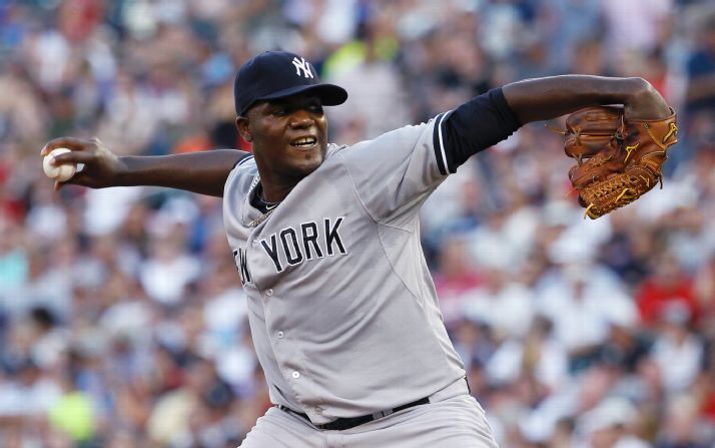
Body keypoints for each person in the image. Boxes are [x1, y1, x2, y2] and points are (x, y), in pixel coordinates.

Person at [42, 50, 671, 447]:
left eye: (313, 108)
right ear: (247, 129)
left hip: (418, 424)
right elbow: (227, 172)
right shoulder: (244, 187)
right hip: (297, 428)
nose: (305, 120)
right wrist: (123, 168)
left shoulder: (372, 171)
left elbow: (490, 112)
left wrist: (621, 87)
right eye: (283, 111)